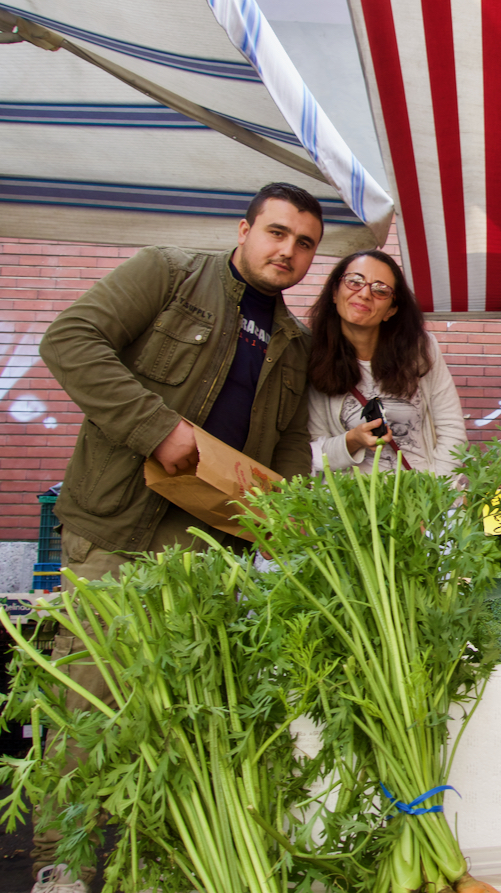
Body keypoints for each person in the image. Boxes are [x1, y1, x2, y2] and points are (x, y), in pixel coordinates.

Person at [33, 182, 324, 892]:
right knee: (90, 697)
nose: (288, 250)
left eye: (305, 243)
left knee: (172, 711)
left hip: (205, 549)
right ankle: (63, 865)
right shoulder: (169, 273)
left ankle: (143, 866)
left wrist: (279, 516)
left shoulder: (295, 341)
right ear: (246, 227)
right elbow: (68, 339)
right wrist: (154, 426)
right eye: (277, 232)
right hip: (116, 526)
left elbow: (285, 443)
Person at [306, 249, 467, 476]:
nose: (364, 294)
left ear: (391, 310)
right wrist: (351, 441)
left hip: (426, 500)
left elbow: (452, 431)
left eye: (380, 290)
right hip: (356, 507)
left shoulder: (421, 349)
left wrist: (436, 492)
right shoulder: (312, 355)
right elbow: (311, 453)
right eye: (354, 282)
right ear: (335, 291)